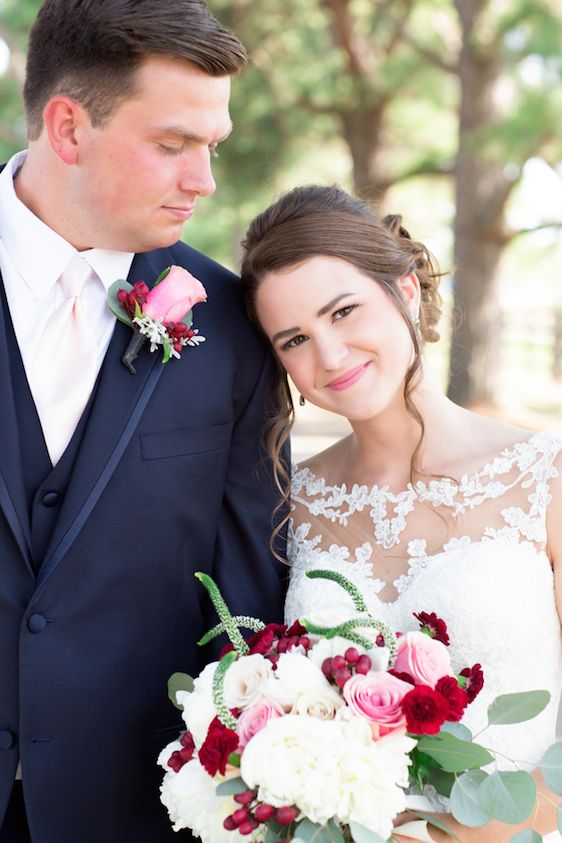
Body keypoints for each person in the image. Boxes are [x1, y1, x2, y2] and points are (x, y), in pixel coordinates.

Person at [0, 1, 285, 840]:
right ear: (67, 127)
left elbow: (247, 598)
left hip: (130, 808)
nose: (203, 179)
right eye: (172, 146)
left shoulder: (232, 326)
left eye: (212, 147)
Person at [240, 184, 562, 842]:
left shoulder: (544, 476)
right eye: (294, 339)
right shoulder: (288, 503)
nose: (329, 356)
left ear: (406, 291)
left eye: (345, 311)